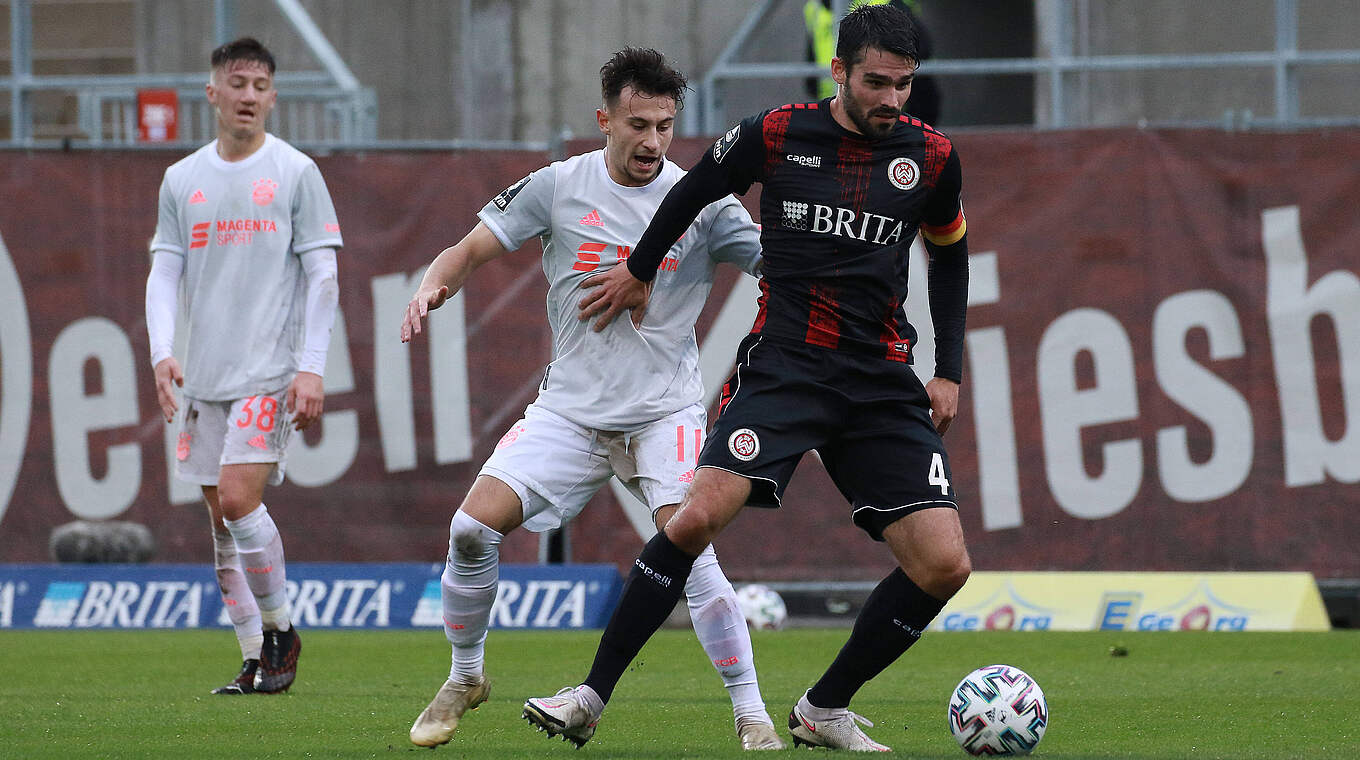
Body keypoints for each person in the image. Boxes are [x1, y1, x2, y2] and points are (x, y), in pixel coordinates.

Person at [523, 4, 970, 752]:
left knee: (944, 565)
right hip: (787, 366)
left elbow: (950, 251)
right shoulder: (777, 131)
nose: (893, 99)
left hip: (880, 379)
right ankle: (588, 697)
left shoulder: (930, 155)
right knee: (693, 519)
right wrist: (638, 271)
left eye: (904, 84)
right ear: (839, 71)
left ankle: (823, 709)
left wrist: (947, 371)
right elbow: (694, 187)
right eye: (877, 83)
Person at [400, 47, 784, 751]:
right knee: (469, 530)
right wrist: (431, 286)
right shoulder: (557, 185)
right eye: (637, 124)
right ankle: (466, 675)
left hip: (662, 413)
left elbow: (782, 267)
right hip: (571, 412)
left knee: (691, 550)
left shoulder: (701, 201)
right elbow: (465, 252)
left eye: (665, 126)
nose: (652, 142)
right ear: (603, 119)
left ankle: (752, 713)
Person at [144, 37, 341, 695]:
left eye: (260, 84)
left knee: (237, 499)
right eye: (238, 83)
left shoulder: (294, 172)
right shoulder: (182, 179)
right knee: (221, 529)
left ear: (272, 96)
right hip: (204, 377)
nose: (249, 95)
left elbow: (323, 274)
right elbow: (164, 269)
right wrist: (161, 353)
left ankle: (283, 631)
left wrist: (310, 367)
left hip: (267, 372)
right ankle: (259, 659)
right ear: (213, 93)